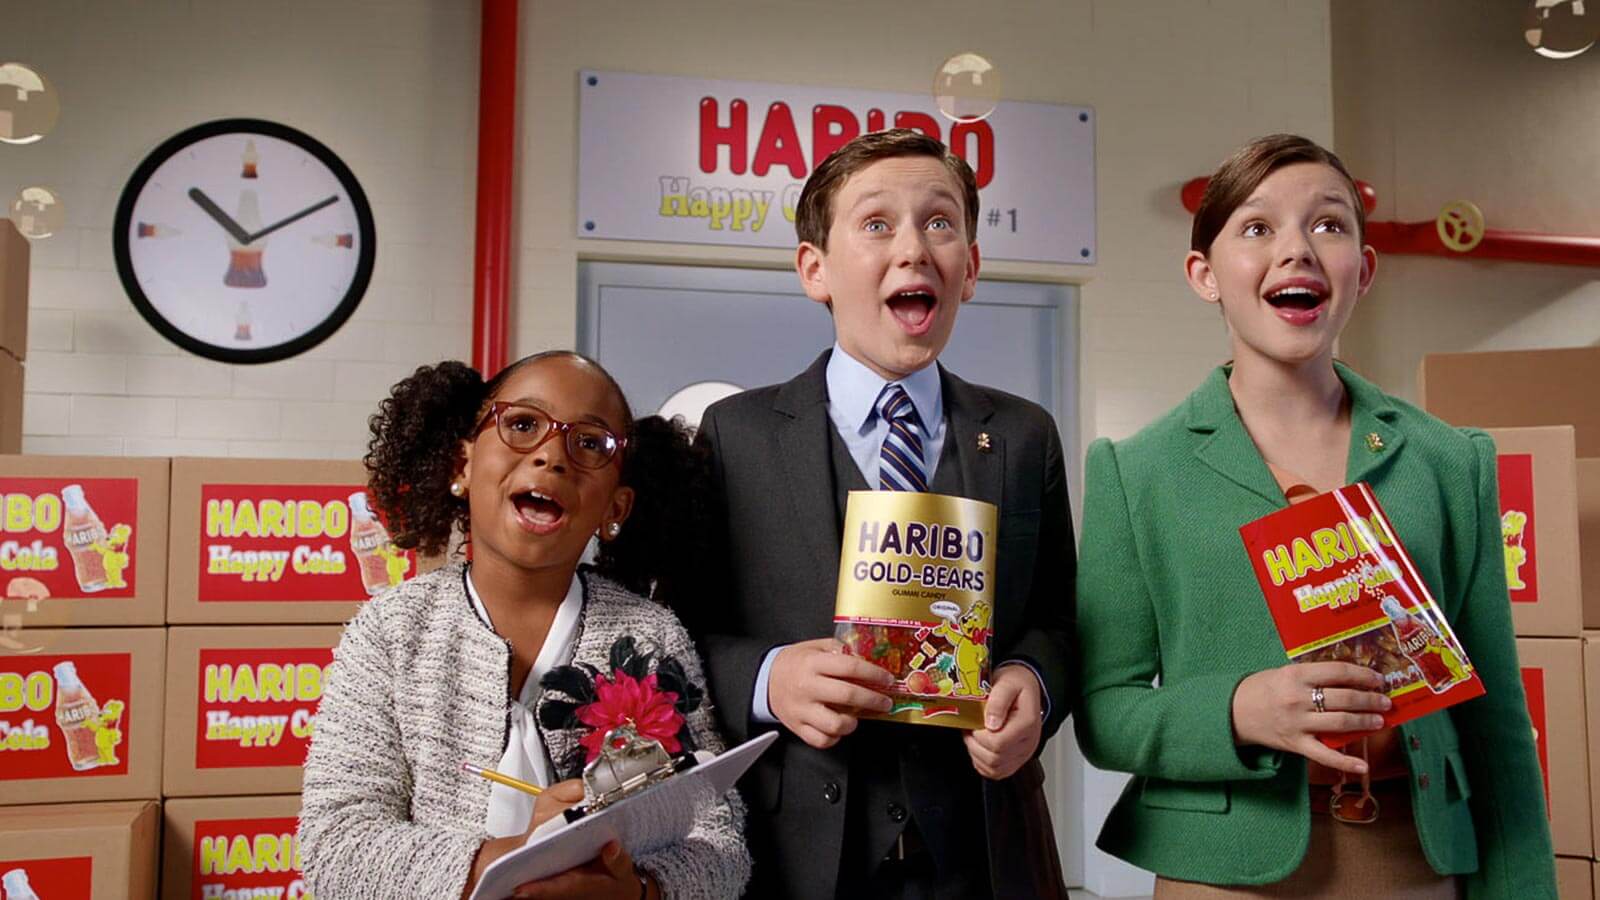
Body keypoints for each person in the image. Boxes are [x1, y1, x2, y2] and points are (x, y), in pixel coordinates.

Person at [1073, 134, 1555, 897]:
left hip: (1418, 866)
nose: (1296, 248)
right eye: (1257, 228)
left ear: (1361, 272)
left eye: (1328, 225)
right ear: (1205, 274)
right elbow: (1103, 713)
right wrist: (1235, 710)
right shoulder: (1137, 473)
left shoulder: (1449, 461)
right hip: (1218, 873)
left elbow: (1497, 724)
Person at [681, 128, 1074, 899]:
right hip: (794, 857)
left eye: (940, 222)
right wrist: (769, 678)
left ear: (970, 268)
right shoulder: (735, 435)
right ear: (814, 269)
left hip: (985, 855)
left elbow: (1059, 620)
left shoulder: (1025, 436)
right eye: (876, 223)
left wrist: (1034, 679)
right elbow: (683, 636)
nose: (915, 247)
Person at [299, 351, 751, 899]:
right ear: (461, 467)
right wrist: (525, 857)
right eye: (521, 425)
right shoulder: (391, 632)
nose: (552, 456)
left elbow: (719, 844)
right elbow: (336, 846)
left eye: (590, 443)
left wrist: (635, 890)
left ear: (617, 507)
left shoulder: (651, 636)